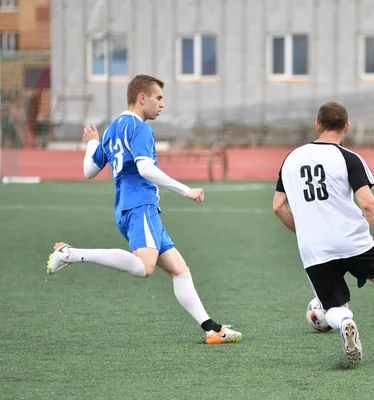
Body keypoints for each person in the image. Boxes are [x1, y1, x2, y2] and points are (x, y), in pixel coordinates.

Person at [46, 74, 242, 345]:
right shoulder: (140, 129)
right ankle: (69, 253)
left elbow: (89, 170)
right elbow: (145, 168)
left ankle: (212, 329)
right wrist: (187, 190)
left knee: (179, 269)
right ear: (142, 97)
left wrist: (92, 142)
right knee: (144, 268)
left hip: (129, 208)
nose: (162, 104)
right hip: (140, 206)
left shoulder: (114, 127)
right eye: (158, 97)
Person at [272, 102, 374, 364]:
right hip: (352, 240)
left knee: (332, 307)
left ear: (317, 125)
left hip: (314, 247)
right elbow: (368, 204)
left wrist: (305, 231)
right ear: (346, 127)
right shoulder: (349, 158)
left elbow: (278, 206)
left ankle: (343, 321)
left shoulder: (291, 159)